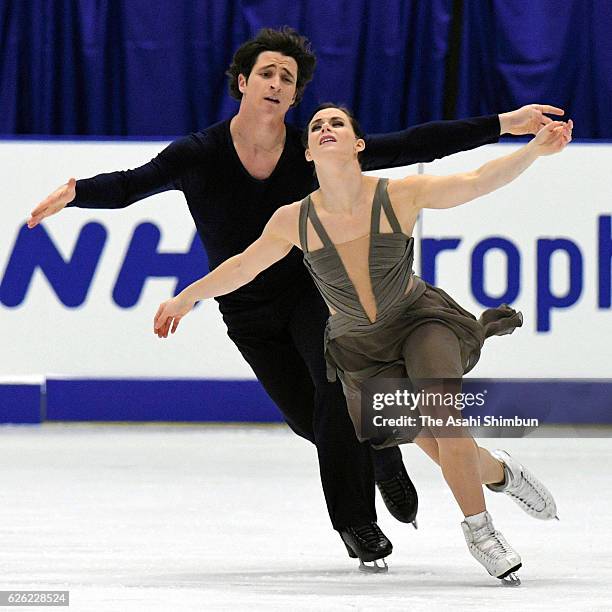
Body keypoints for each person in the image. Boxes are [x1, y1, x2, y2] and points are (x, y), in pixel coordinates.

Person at [28, 26, 567, 570]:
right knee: (311, 422)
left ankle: (358, 526)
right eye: (267, 72)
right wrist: (78, 193)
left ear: (294, 96)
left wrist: (505, 124)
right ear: (243, 83)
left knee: (340, 400)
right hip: (245, 309)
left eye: (288, 78)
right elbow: (131, 187)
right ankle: (386, 457)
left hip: (316, 299)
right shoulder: (201, 153)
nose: (277, 83)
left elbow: (415, 143)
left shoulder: (317, 151)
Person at [151, 103, 571, 582]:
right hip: (361, 349)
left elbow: (477, 181)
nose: (326, 129)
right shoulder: (294, 220)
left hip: (420, 320)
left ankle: (480, 532)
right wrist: (187, 298)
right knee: (432, 441)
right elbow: (243, 266)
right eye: (316, 127)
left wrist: (535, 149)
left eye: (337, 124)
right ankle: (500, 475)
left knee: (442, 417)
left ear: (358, 144)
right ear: (307, 152)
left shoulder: (400, 194)